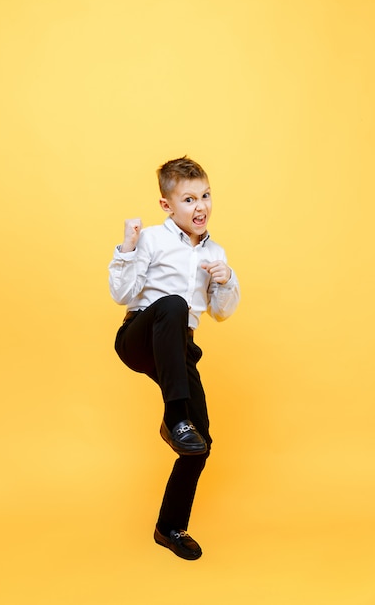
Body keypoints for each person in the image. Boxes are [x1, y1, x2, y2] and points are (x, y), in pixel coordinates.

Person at [108, 156, 240, 560]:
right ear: (167, 205)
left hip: (178, 347)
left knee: (200, 445)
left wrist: (225, 281)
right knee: (172, 304)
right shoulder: (150, 239)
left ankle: (169, 527)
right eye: (188, 199)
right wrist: (128, 248)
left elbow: (221, 312)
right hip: (140, 336)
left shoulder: (215, 251)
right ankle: (175, 416)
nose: (200, 206)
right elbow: (123, 295)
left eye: (205, 195)